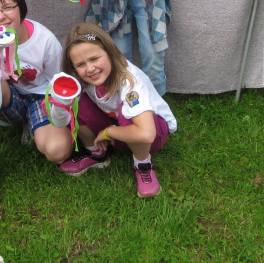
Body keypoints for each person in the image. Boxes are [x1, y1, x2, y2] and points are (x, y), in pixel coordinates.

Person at [0, 0, 73, 205]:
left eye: (8, 7)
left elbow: (59, 82)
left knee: (58, 151)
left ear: (20, 8)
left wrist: (60, 116)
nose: (1, 16)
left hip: (41, 98)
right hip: (8, 98)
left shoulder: (44, 39)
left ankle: (33, 125)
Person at [59, 23, 177, 198]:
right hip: (119, 126)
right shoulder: (80, 77)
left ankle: (143, 164)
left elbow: (146, 134)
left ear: (110, 52)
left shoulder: (130, 82)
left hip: (153, 134)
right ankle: (96, 154)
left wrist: (109, 132)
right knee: (73, 100)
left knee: (128, 113)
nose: (90, 69)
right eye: (80, 64)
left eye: (94, 59)